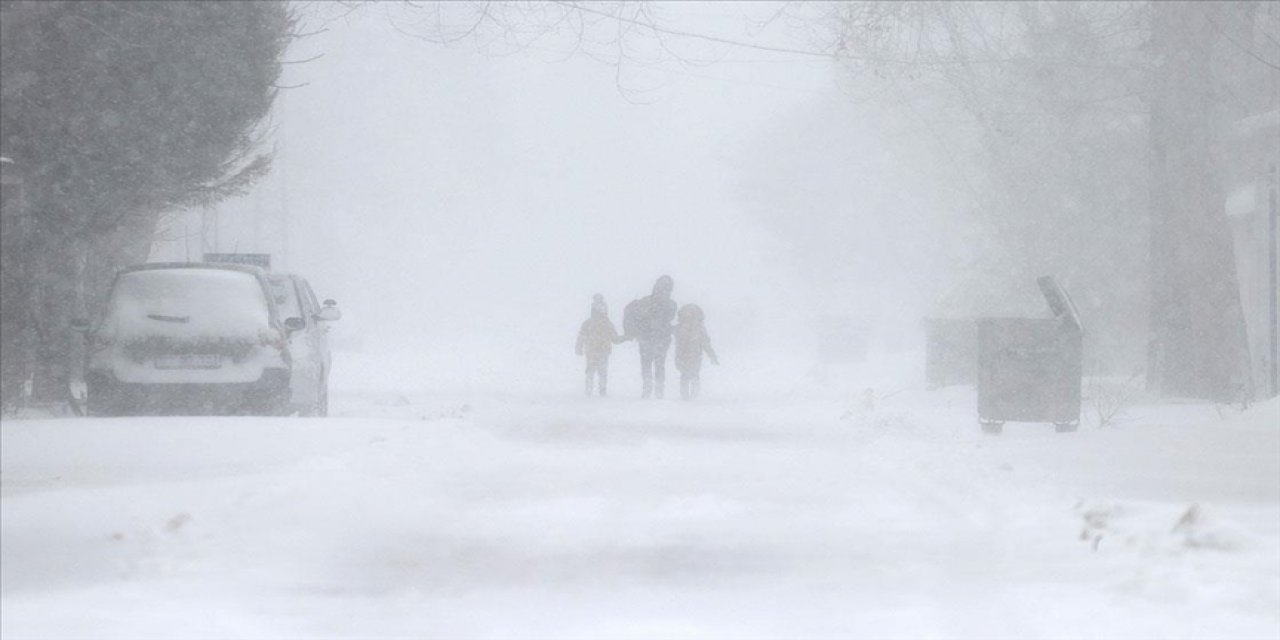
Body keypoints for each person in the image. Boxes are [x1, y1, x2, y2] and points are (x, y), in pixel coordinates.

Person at [623, 275, 677, 399]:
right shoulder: (671, 304)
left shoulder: (645, 302)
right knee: (659, 363)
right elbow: (670, 317)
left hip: (646, 338)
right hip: (660, 338)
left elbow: (636, 314)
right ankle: (658, 389)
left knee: (647, 363)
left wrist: (632, 332)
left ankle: (648, 388)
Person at [575, 294, 620, 397]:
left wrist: (579, 347)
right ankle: (601, 391)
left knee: (591, 371)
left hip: (592, 350)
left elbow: (581, 336)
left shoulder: (588, 322)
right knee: (602, 372)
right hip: (603, 350)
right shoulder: (607, 322)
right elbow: (615, 338)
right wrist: (625, 338)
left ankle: (589, 391)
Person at [673, 303, 719, 400]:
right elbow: (706, 344)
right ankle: (691, 396)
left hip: (685, 357)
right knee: (691, 375)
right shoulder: (698, 329)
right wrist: (712, 356)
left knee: (686, 376)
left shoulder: (680, 328)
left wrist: (712, 356)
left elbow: (706, 344)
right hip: (692, 357)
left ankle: (688, 396)